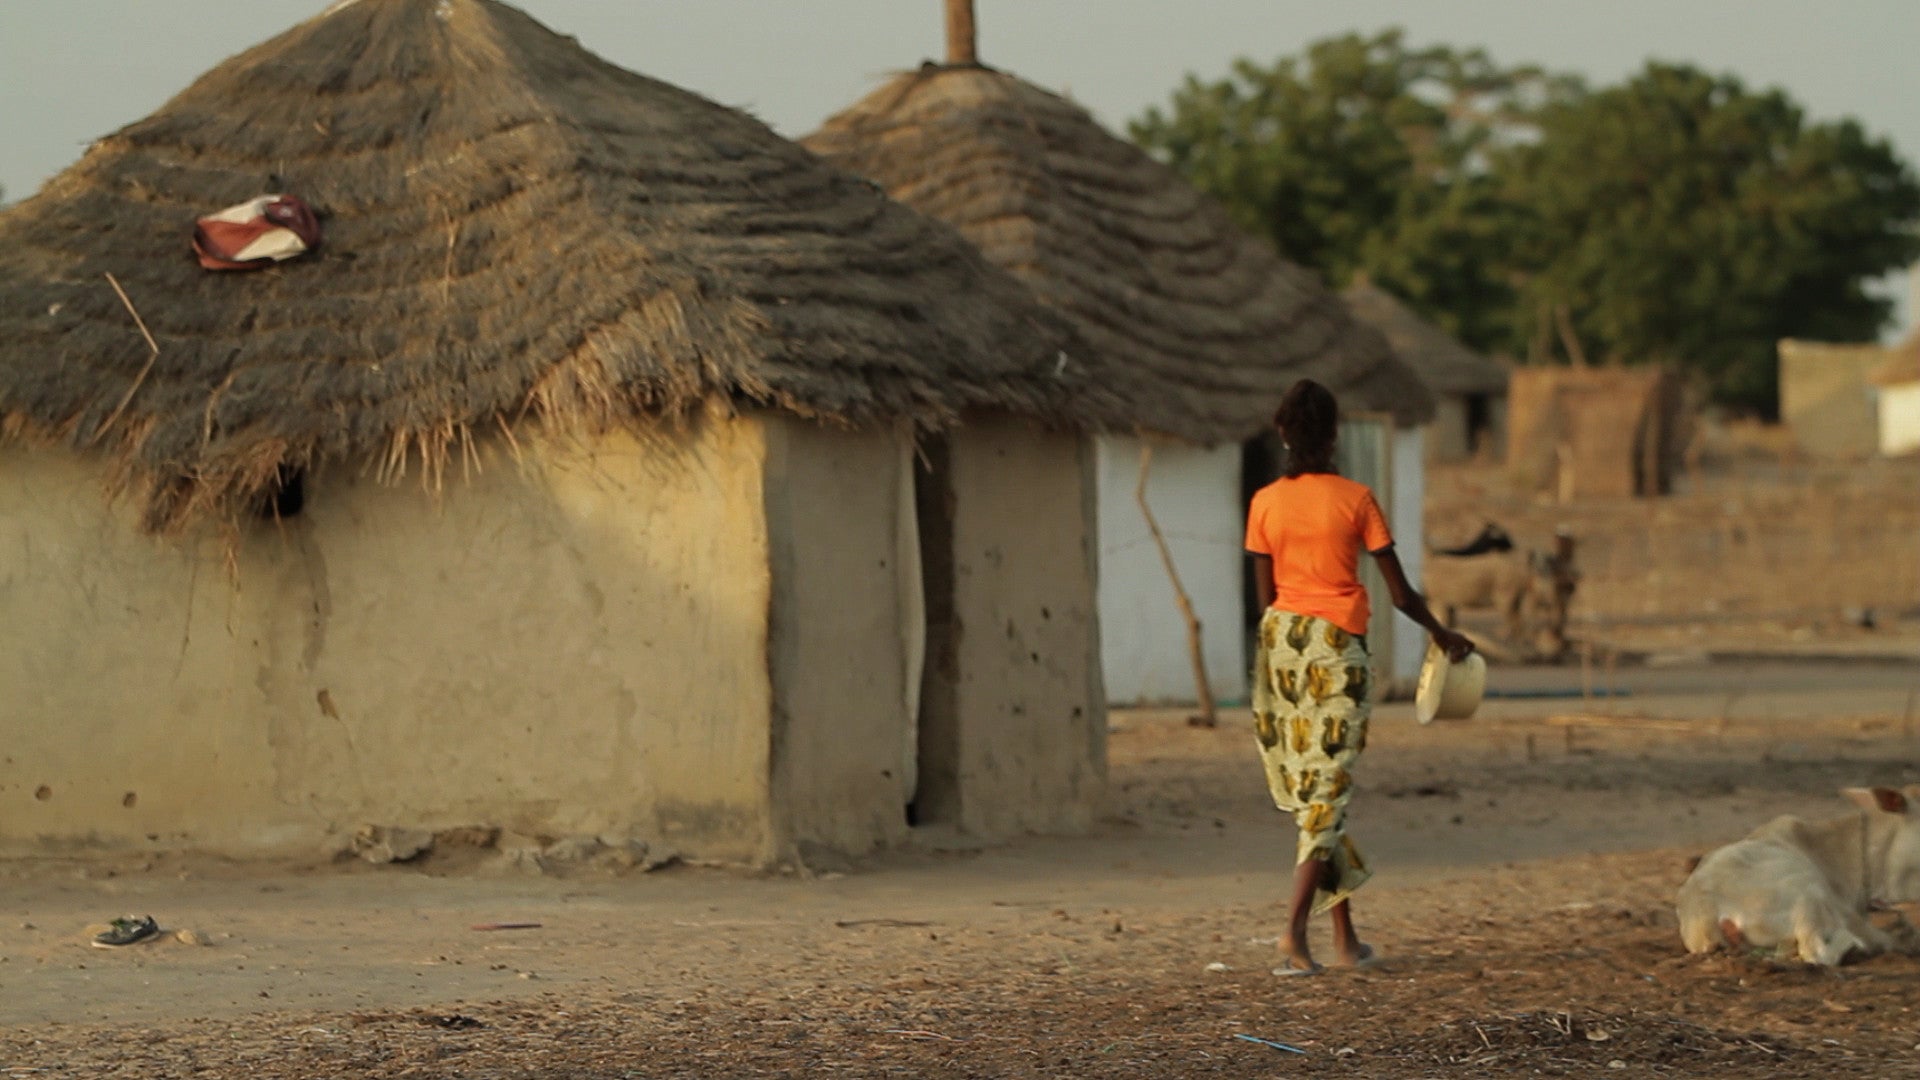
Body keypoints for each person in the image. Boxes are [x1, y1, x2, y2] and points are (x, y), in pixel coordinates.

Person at [1245, 379, 1474, 975]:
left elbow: (1265, 596)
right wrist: (1440, 632)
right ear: (1333, 435)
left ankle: (1345, 941)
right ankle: (1293, 934)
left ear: (1283, 434)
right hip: (1335, 651)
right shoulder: (1357, 499)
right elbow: (1398, 594)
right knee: (1327, 795)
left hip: (1280, 652)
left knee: (1318, 798)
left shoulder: (1264, 502)